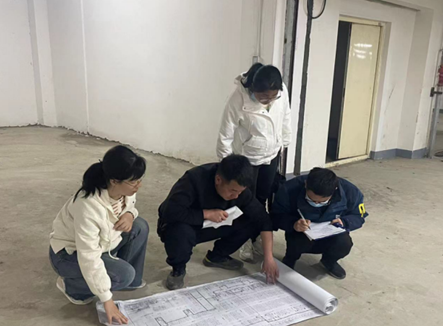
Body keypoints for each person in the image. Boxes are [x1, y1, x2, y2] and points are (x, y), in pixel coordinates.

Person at [49, 145, 149, 325]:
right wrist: (107, 300)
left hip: (102, 243)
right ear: (114, 181)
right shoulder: (88, 206)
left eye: (139, 180)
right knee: (123, 274)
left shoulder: (123, 191)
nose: (138, 186)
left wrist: (129, 214)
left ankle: (126, 280)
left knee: (139, 226)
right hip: (69, 254)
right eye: (133, 182)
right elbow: (89, 256)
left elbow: (130, 206)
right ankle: (72, 287)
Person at [158, 154, 279, 290]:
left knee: (251, 221)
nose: (236, 196)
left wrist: (269, 258)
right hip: (188, 224)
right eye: (233, 191)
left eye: (240, 192)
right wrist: (206, 214)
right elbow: (169, 212)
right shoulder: (193, 180)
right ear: (218, 180)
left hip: (215, 224)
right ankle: (178, 269)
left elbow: (263, 219)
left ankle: (217, 256)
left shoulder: (239, 189)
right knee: (179, 230)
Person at [216, 63, 292, 262]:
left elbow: (286, 116)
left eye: (273, 96)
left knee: (262, 198)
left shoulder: (281, 92)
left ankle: (256, 235)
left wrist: (285, 142)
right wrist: (226, 168)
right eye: (264, 97)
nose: (269, 100)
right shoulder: (237, 100)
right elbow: (225, 134)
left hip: (272, 155)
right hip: (247, 159)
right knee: (245, 200)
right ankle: (244, 241)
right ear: (253, 89)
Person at [270, 167, 368, 279]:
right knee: (296, 243)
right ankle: (290, 259)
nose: (316, 203)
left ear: (334, 190)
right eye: (311, 200)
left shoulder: (350, 192)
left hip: (332, 231)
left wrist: (345, 222)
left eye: (322, 201)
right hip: (302, 231)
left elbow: (359, 216)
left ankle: (329, 261)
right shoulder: (288, 189)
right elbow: (276, 215)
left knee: (344, 244)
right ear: (306, 184)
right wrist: (293, 224)